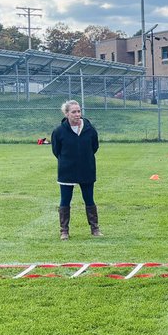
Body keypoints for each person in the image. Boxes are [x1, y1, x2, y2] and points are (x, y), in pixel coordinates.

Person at [51, 100, 100, 239]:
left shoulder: (90, 130)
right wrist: (67, 161)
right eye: (73, 112)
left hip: (87, 169)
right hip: (67, 171)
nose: (77, 114)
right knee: (65, 200)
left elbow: (94, 147)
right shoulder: (58, 132)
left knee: (89, 199)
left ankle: (95, 229)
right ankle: (64, 231)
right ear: (66, 114)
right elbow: (56, 151)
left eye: (79, 111)